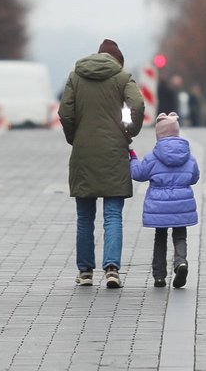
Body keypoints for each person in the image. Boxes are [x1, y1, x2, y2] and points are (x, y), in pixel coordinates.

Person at [59, 38, 144, 289]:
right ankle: (111, 270)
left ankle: (85, 272)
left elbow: (65, 111)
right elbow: (137, 104)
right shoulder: (122, 77)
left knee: (85, 216)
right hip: (114, 150)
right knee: (112, 215)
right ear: (117, 60)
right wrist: (130, 130)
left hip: (83, 152)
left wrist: (74, 136)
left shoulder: (76, 76)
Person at [130, 112, 199, 288]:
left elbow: (138, 174)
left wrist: (133, 158)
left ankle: (159, 276)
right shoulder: (188, 156)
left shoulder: (152, 157)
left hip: (158, 205)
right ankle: (180, 262)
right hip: (182, 204)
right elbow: (194, 177)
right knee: (180, 235)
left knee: (160, 238)